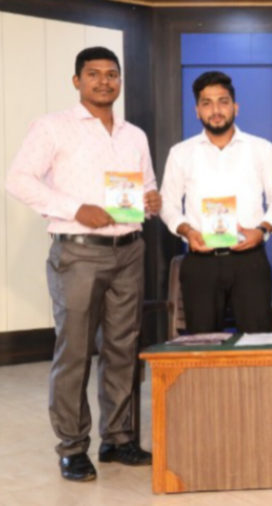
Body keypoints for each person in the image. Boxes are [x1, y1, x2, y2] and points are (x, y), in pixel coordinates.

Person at [5, 47, 160, 481]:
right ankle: (72, 447)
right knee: (74, 351)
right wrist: (76, 208)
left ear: (120, 81)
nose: (104, 81)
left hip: (129, 249)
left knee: (122, 348)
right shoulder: (52, 127)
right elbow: (17, 179)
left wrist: (152, 199)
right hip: (77, 252)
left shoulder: (134, 135)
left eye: (112, 74)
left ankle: (118, 438)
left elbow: (146, 185)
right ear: (77, 81)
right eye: (93, 74)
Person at [160, 71, 272, 333]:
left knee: (256, 341)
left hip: (249, 260)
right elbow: (167, 203)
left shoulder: (261, 149)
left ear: (235, 107)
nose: (216, 110)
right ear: (197, 111)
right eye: (207, 103)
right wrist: (188, 231)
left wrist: (262, 230)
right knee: (203, 342)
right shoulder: (180, 153)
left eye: (223, 102)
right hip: (201, 260)